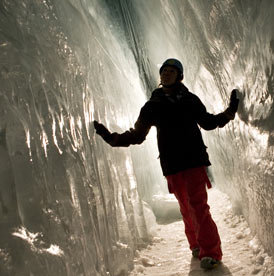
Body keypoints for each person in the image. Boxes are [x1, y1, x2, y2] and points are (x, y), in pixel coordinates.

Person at [94, 58, 239, 270]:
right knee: (186, 208)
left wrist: (229, 112)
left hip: (193, 161)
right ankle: (196, 245)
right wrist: (112, 138)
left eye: (171, 71)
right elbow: (137, 135)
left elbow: (207, 123)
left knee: (198, 206)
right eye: (164, 71)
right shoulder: (153, 106)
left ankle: (211, 251)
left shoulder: (190, 100)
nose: (166, 74)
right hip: (172, 166)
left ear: (179, 76)